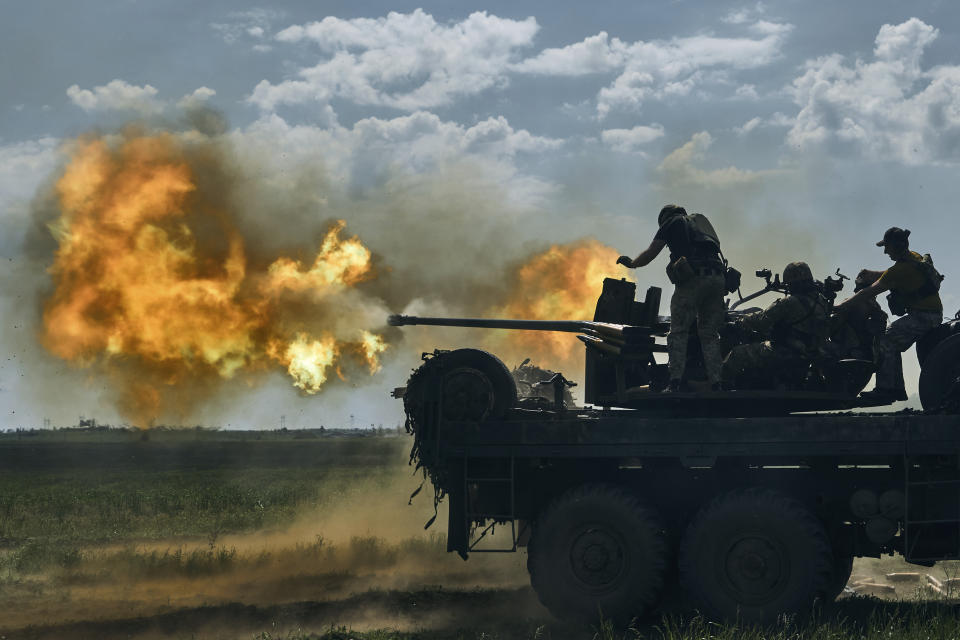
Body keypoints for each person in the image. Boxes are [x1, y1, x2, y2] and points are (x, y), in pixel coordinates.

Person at [617, 204, 725, 392]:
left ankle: (674, 382)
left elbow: (651, 253)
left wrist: (633, 263)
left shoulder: (671, 222)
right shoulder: (699, 225)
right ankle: (717, 382)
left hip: (694, 279)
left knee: (678, 331)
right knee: (709, 334)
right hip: (718, 278)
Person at [835, 227, 944, 403]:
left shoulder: (899, 270)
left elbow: (868, 292)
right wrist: (873, 273)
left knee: (885, 340)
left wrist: (841, 306)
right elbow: (894, 274)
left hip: (924, 317)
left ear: (897, 247)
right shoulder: (913, 257)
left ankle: (887, 390)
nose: (885, 251)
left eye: (887, 247)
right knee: (890, 338)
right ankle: (896, 389)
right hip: (932, 313)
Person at [723, 262, 830, 390]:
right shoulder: (822, 302)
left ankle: (716, 386)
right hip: (812, 352)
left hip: (787, 352)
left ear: (791, 282)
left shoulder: (790, 302)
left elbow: (762, 320)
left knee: (737, 353)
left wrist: (738, 323)